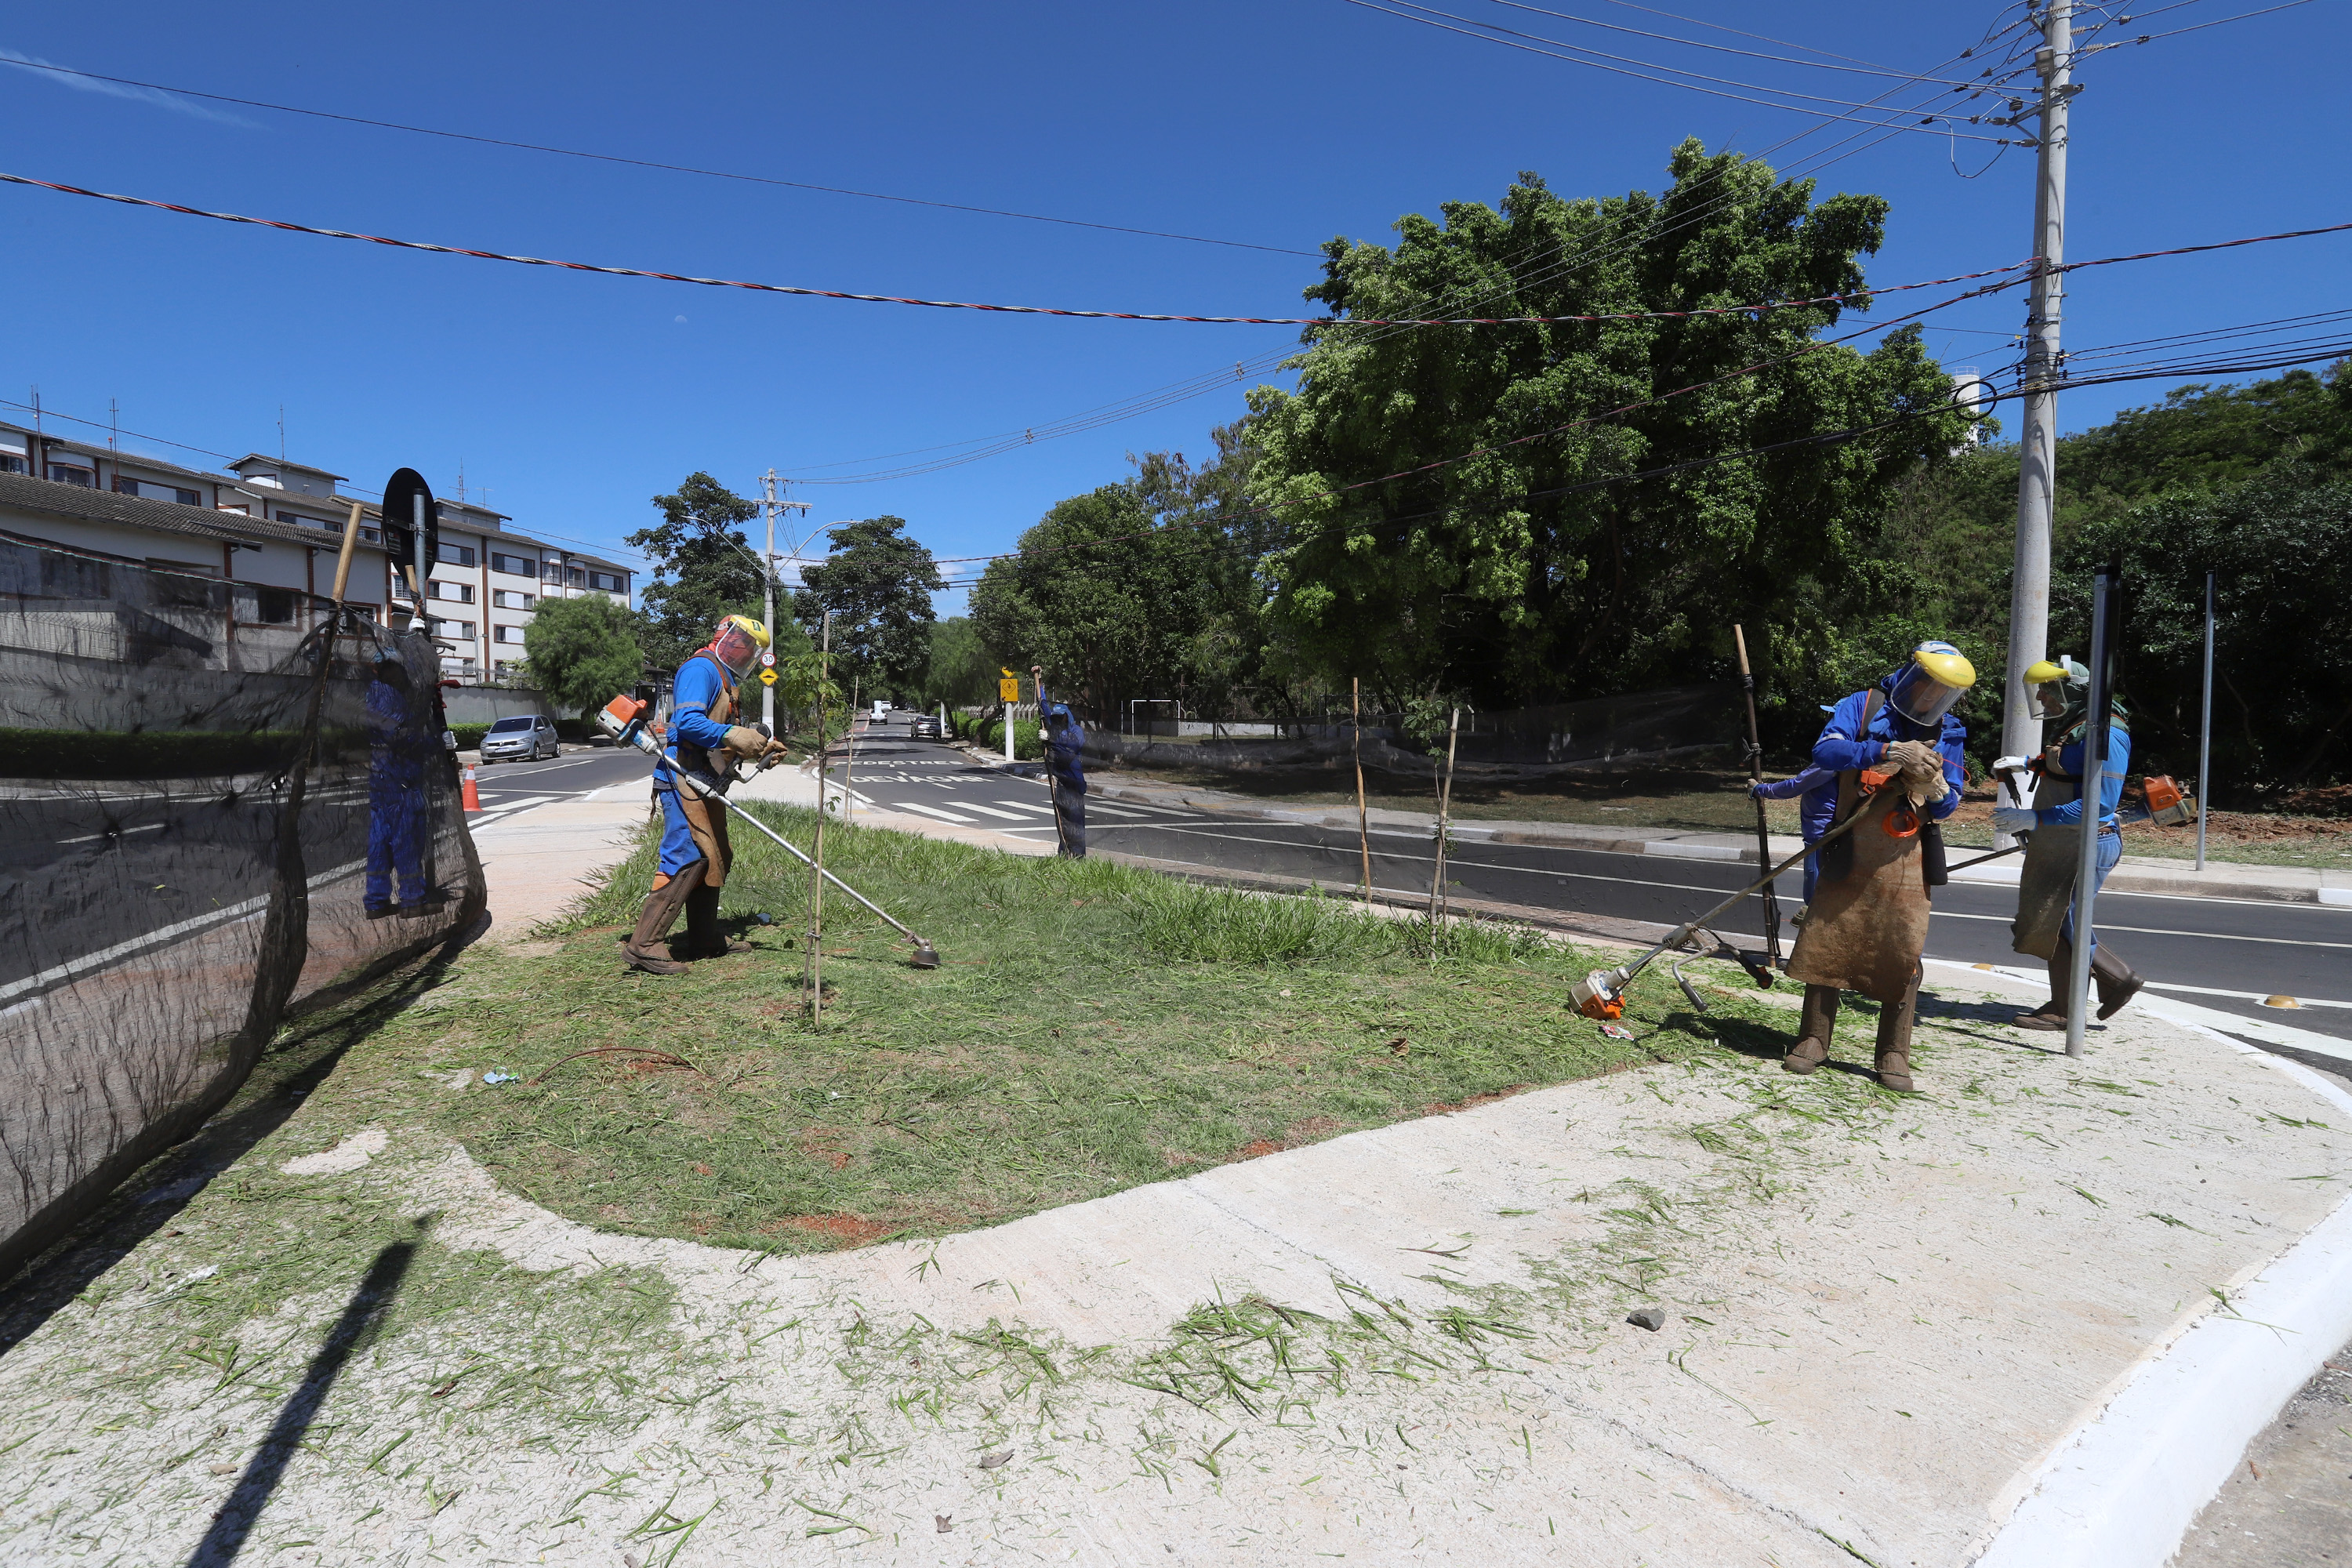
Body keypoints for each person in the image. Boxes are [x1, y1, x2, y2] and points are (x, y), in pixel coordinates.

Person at [1782, 641, 1973, 1091]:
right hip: (1850, 842)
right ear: (1911, 675)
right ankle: (1813, 1038)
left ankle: (1893, 1052)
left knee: (1904, 951)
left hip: (1906, 855)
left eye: (1943, 693)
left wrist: (1936, 787)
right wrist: (1886, 751)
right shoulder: (1864, 707)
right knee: (1825, 939)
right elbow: (1826, 754)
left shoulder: (1951, 731)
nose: (1931, 698)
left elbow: (1950, 805)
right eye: (1928, 685)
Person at [623, 615, 789, 975]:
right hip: (682, 780)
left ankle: (704, 939)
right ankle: (645, 944)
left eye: (753, 649)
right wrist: (734, 735)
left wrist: (758, 748)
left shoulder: (726, 679)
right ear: (725, 638)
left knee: (713, 856)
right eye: (744, 643)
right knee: (686, 855)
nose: (747, 652)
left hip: (706, 783)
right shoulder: (701, 668)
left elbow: (721, 735)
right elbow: (688, 723)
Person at [1995, 658, 2144, 1029]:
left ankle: (2114, 981)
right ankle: (2062, 1006)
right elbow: (2071, 766)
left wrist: (2037, 818)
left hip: (2089, 842)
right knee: (2053, 923)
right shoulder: (2081, 726)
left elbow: (2102, 803)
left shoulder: (2109, 734)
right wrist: (2028, 763)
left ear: (2073, 690)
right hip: (2064, 842)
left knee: (2066, 923)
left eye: (2048, 689)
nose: (2042, 697)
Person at [363, 651, 437, 918]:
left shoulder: (371, 694)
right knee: (407, 837)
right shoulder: (388, 696)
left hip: (381, 778)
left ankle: (376, 900)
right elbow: (400, 736)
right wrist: (433, 743)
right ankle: (412, 898)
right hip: (401, 779)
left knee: (379, 841)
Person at [1750, 760, 1838, 912]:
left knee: (1814, 893)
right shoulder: (1854, 760)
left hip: (1820, 833)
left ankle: (1813, 914)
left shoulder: (1830, 763)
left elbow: (1794, 786)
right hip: (1836, 830)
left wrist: (1760, 789)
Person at [1042, 701, 1087, 858]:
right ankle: (1064, 853)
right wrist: (1040, 686)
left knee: (1075, 821)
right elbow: (1045, 708)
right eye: (1056, 718)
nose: (1058, 721)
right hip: (1061, 783)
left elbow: (1074, 744)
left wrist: (1051, 738)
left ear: (1067, 717)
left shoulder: (1076, 732)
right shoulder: (1056, 728)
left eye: (1061, 718)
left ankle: (1078, 854)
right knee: (1062, 819)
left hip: (1074, 784)